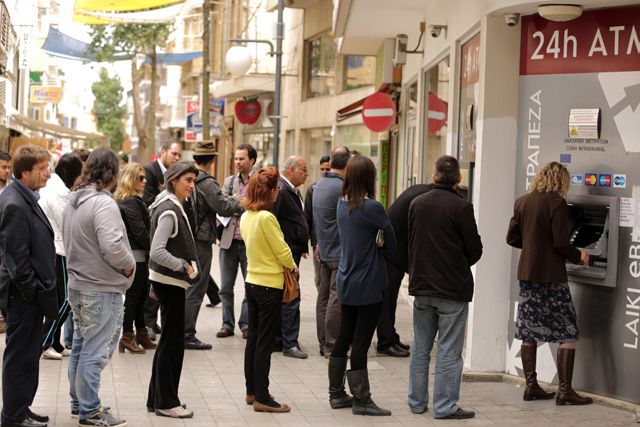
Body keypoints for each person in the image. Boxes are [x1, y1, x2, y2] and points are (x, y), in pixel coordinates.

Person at [506, 161, 592, 406]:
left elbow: (512, 237)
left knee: (528, 328)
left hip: (527, 275)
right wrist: (580, 256)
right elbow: (561, 243)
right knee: (569, 330)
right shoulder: (557, 203)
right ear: (560, 181)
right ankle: (565, 391)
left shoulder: (522, 201)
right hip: (551, 277)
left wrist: (533, 246)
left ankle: (531, 386)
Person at [63, 148, 135, 427]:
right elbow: (112, 245)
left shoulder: (75, 199)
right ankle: (90, 409)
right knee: (94, 349)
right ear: (112, 173)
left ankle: (78, 402)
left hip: (80, 284)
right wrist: (129, 265)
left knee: (81, 346)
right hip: (100, 286)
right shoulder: (103, 203)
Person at [408, 155, 482, 419]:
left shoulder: (416, 204)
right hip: (452, 289)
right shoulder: (461, 207)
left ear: (434, 176)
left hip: (422, 286)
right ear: (458, 179)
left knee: (420, 348)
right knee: (449, 350)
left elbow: (412, 241)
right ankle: (444, 406)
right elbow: (475, 250)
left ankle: (416, 402)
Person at [329, 154, 396, 416]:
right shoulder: (372, 208)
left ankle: (336, 394)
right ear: (369, 178)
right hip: (368, 282)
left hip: (346, 278)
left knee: (345, 335)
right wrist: (378, 243)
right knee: (361, 342)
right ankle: (362, 399)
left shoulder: (340, 204)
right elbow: (391, 242)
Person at [0, 144, 56, 427]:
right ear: (25, 172)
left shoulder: (26, 196)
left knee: (27, 356)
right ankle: (12, 416)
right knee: (19, 357)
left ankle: (21, 407)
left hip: (31, 296)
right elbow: (16, 259)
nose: (47, 174)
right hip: (24, 297)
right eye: (42, 169)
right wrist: (32, 290)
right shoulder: (14, 202)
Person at [146, 162, 200, 418]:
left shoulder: (165, 202)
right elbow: (157, 251)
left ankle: (157, 398)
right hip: (170, 281)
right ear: (173, 180)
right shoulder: (169, 210)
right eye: (187, 180)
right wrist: (183, 266)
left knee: (168, 340)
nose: (191, 185)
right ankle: (166, 402)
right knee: (172, 343)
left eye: (193, 181)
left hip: (167, 281)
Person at [240, 167, 295, 413]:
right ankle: (263, 397)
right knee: (265, 342)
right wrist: (292, 266)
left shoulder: (246, 216)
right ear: (271, 190)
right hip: (269, 284)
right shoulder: (267, 218)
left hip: (252, 281)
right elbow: (281, 250)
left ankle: (252, 390)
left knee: (253, 339)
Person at [187, 142, 241, 350]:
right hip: (200, 239)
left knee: (187, 285)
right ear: (212, 159)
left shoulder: (188, 177)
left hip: (187, 236)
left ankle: (180, 330)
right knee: (196, 287)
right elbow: (223, 207)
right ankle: (187, 333)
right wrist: (239, 202)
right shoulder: (207, 182)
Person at [376, 181, 435, 358]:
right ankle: (385, 342)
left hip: (393, 250)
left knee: (390, 299)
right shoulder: (424, 199)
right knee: (387, 299)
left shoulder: (420, 191)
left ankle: (390, 337)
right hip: (392, 253)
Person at [39, 152, 83, 361]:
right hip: (60, 251)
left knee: (59, 299)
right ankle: (45, 341)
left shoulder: (60, 190)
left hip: (60, 250)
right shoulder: (57, 194)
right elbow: (67, 224)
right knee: (66, 299)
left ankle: (55, 342)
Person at [142, 141, 183, 340]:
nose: (176, 158)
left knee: (161, 277)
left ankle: (153, 321)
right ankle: (148, 323)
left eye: (179, 155)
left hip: (168, 234)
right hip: (154, 230)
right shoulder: (150, 171)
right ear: (163, 151)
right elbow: (147, 200)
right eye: (173, 154)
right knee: (154, 277)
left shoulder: (174, 174)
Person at [114, 163, 156, 354]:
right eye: (140, 178)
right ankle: (127, 336)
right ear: (130, 180)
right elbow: (139, 231)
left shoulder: (130, 201)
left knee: (139, 297)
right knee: (133, 298)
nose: (145, 181)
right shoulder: (130, 202)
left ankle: (140, 334)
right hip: (135, 256)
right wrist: (155, 248)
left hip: (137, 256)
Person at [312, 146, 350, 357]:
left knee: (323, 297)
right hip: (338, 251)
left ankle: (322, 341)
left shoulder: (319, 185)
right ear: (347, 165)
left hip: (323, 248)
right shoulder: (342, 188)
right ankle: (332, 345)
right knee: (336, 299)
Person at [271, 156, 309, 359]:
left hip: (293, 249)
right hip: (286, 253)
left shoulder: (292, 190)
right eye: (303, 169)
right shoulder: (283, 190)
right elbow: (275, 224)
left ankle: (281, 339)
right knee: (291, 297)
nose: (306, 174)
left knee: (287, 295)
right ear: (292, 170)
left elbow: (296, 219)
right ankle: (289, 343)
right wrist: (287, 256)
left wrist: (302, 244)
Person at [217, 144, 256, 338]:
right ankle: (227, 324)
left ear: (252, 161)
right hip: (228, 242)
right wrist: (237, 201)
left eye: (242, 159)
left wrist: (239, 203)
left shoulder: (258, 181)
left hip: (250, 243)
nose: (238, 162)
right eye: (236, 159)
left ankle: (246, 324)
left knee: (250, 286)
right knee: (225, 287)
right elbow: (222, 207)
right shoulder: (229, 181)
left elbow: (258, 206)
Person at [303, 155, 330, 294]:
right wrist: (304, 243)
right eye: (322, 169)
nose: (325, 171)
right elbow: (307, 217)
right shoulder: (312, 189)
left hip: (333, 242)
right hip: (316, 241)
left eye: (328, 168)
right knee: (319, 278)